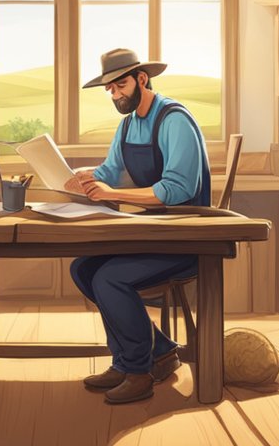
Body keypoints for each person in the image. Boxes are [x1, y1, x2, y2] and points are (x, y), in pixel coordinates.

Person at [64, 47, 212, 405]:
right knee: (84, 268)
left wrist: (112, 193)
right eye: (110, 90)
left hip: (187, 235)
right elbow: (110, 171)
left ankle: (137, 372)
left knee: (109, 277)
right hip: (155, 231)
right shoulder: (129, 123)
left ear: (142, 79)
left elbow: (177, 190)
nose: (115, 95)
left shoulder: (174, 120)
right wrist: (84, 178)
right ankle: (157, 352)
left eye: (120, 86)